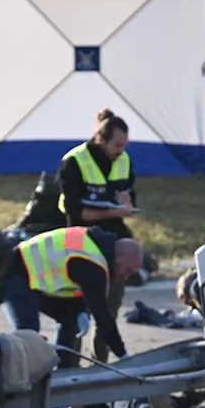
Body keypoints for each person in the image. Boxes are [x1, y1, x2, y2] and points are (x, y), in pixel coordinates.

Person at [56, 108, 137, 365]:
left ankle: (98, 369)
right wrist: (113, 211)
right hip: (82, 247)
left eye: (125, 145)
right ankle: (68, 371)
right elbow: (75, 212)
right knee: (76, 317)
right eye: (117, 145)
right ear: (100, 139)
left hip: (114, 246)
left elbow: (129, 198)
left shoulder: (124, 159)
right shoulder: (74, 162)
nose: (121, 151)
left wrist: (127, 203)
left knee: (108, 315)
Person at [1, 225, 143, 370]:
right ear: (120, 257)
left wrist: (80, 309)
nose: (125, 277)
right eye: (128, 270)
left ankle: (63, 371)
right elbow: (102, 316)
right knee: (28, 333)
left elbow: (75, 278)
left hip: (33, 278)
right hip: (15, 274)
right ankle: (17, 379)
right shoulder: (93, 263)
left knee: (71, 318)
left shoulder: (94, 246)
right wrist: (123, 355)